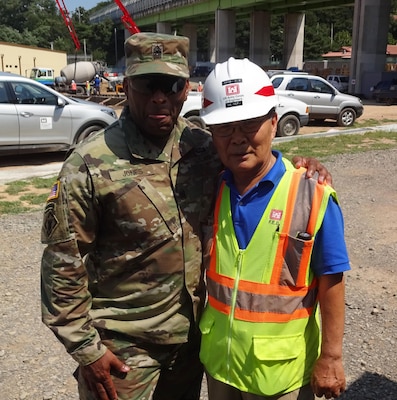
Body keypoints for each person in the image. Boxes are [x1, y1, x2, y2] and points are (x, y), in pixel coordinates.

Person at [40, 32, 332, 400]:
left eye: (171, 85)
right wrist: (87, 351)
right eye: (148, 85)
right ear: (126, 86)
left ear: (186, 88)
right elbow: (62, 267)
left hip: (191, 344)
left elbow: (255, 162)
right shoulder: (89, 164)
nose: (159, 96)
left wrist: (302, 167)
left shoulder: (203, 147)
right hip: (124, 349)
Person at [198, 57, 350, 400]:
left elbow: (332, 279)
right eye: (225, 128)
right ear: (211, 133)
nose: (238, 139)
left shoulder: (312, 194)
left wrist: (331, 356)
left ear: (273, 122)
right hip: (220, 366)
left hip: (279, 377)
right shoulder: (211, 188)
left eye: (249, 124)